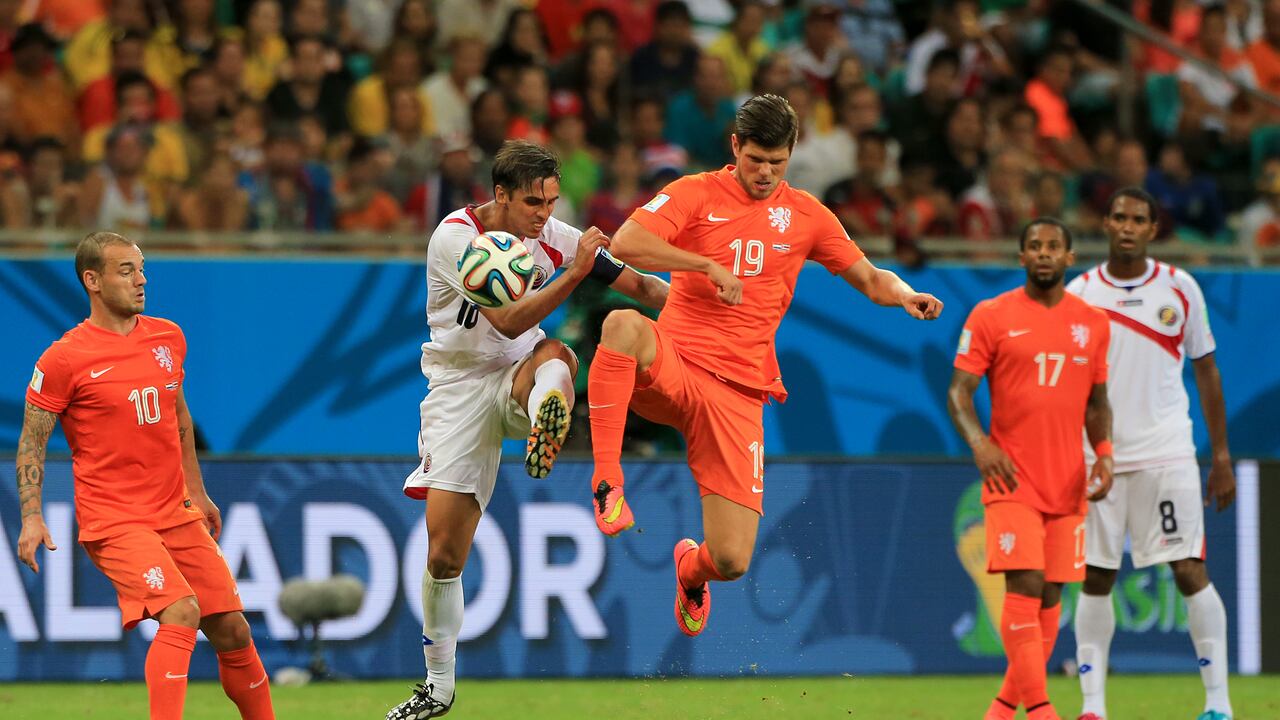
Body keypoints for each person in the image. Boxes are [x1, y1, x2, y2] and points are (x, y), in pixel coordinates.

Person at [585, 94, 943, 639]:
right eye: (755, 159)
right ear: (735, 146)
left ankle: (690, 570)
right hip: (677, 361)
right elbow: (629, 242)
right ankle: (608, 479)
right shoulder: (696, 193)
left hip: (739, 393)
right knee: (621, 326)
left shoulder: (807, 216)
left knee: (731, 560)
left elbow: (871, 279)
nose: (765, 172)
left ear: (792, 154)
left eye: (777, 162)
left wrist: (905, 293)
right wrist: (703, 263)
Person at [385, 140, 668, 719]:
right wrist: (576, 272)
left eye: (552, 201)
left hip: (520, 372)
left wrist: (706, 307)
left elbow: (641, 287)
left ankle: (547, 413)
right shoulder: (455, 239)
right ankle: (438, 687)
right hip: (458, 386)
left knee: (558, 354)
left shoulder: (556, 238)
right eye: (534, 202)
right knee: (443, 553)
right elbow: (510, 316)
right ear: (501, 196)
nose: (545, 214)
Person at [14, 231, 275, 720]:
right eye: (127, 271)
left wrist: (196, 492)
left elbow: (178, 418)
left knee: (234, 630)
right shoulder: (64, 359)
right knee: (181, 611)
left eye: (142, 268)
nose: (141, 280)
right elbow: (31, 441)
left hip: (175, 512)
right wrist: (31, 516)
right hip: (115, 520)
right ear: (92, 281)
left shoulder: (167, 337)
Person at [1067, 188, 1236, 720]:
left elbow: (1206, 369)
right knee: (1096, 576)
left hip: (1167, 453)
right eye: (1118, 217)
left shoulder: (1179, 288)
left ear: (1153, 228)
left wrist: (1223, 457)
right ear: (1106, 223)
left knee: (1188, 568)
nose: (1127, 226)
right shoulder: (1079, 293)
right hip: (1099, 460)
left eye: (1138, 219)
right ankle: (1093, 708)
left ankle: (1218, 705)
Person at [947, 217, 1115, 720]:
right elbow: (959, 392)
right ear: (1021, 258)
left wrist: (1104, 452)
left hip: (1068, 481)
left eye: (1053, 246)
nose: (1043, 253)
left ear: (1069, 258)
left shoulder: (1094, 323)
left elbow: (1097, 402)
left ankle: (1001, 712)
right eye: (1034, 246)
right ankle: (1041, 709)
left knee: (1048, 594)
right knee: (1025, 583)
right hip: (1011, 478)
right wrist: (980, 443)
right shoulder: (991, 315)